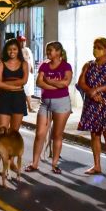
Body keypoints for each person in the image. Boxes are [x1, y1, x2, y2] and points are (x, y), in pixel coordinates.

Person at [77, 37, 106, 178]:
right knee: (94, 134)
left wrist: (98, 90)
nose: (95, 50)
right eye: (94, 46)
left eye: (98, 47)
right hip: (92, 103)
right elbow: (81, 82)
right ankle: (97, 165)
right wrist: (91, 92)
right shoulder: (88, 65)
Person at [26, 41, 73, 174]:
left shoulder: (66, 66)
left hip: (62, 103)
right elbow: (39, 82)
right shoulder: (44, 65)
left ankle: (55, 164)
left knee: (57, 135)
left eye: (50, 50)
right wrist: (54, 85)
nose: (48, 53)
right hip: (45, 103)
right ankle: (34, 163)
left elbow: (65, 83)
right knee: (40, 134)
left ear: (58, 52)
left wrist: (50, 81)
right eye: (47, 50)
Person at [0, 38, 30, 132]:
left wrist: (5, 83)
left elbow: (24, 81)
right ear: (6, 50)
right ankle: (1, 147)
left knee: (14, 132)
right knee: (2, 131)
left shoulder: (24, 64)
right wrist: (14, 87)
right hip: (4, 98)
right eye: (9, 49)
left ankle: (12, 147)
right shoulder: (1, 64)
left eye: (14, 49)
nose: (12, 51)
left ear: (18, 50)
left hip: (19, 98)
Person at [17, 34, 36, 112]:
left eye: (24, 41)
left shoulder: (28, 50)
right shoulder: (17, 51)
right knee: (24, 91)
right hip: (22, 73)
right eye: (21, 41)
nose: (23, 43)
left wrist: (32, 69)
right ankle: (29, 107)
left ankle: (29, 107)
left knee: (29, 91)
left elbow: (30, 60)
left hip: (30, 74)